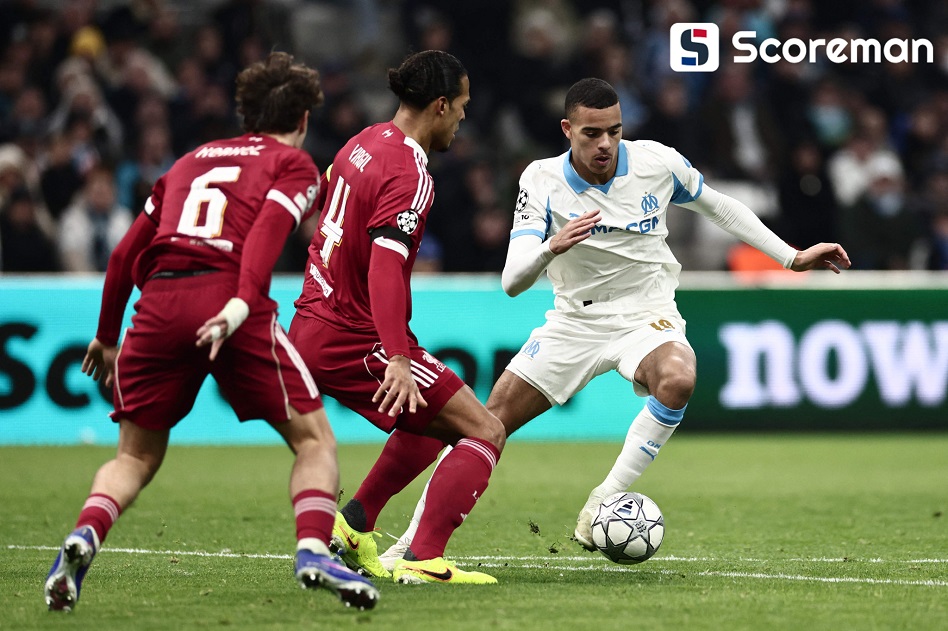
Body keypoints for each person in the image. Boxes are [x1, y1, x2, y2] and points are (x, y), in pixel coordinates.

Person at [370, 77, 851, 569]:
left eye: (614, 132)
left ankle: (603, 501)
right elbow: (512, 281)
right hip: (573, 323)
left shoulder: (657, 163)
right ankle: (411, 545)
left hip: (648, 314)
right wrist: (550, 247)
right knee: (484, 425)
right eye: (592, 133)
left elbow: (720, 207)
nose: (605, 144)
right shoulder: (541, 180)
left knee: (679, 378)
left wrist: (790, 257)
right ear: (567, 129)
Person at [44, 52, 379, 612]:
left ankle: (83, 536)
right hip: (228, 298)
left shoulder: (189, 161)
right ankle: (313, 550)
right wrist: (242, 304)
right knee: (314, 440)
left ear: (247, 113)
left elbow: (127, 253)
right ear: (301, 118)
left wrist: (106, 335)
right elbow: (267, 233)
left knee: (135, 457)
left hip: (158, 303)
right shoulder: (292, 164)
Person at [288, 50, 505, 585]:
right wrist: (399, 356)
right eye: (460, 106)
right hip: (352, 334)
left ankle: (354, 524)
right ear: (438, 105)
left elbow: (319, 191)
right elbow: (386, 269)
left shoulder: (363, 141)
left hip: (313, 318)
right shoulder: (411, 171)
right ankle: (423, 557)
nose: (462, 117)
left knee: (434, 420)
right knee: (485, 429)